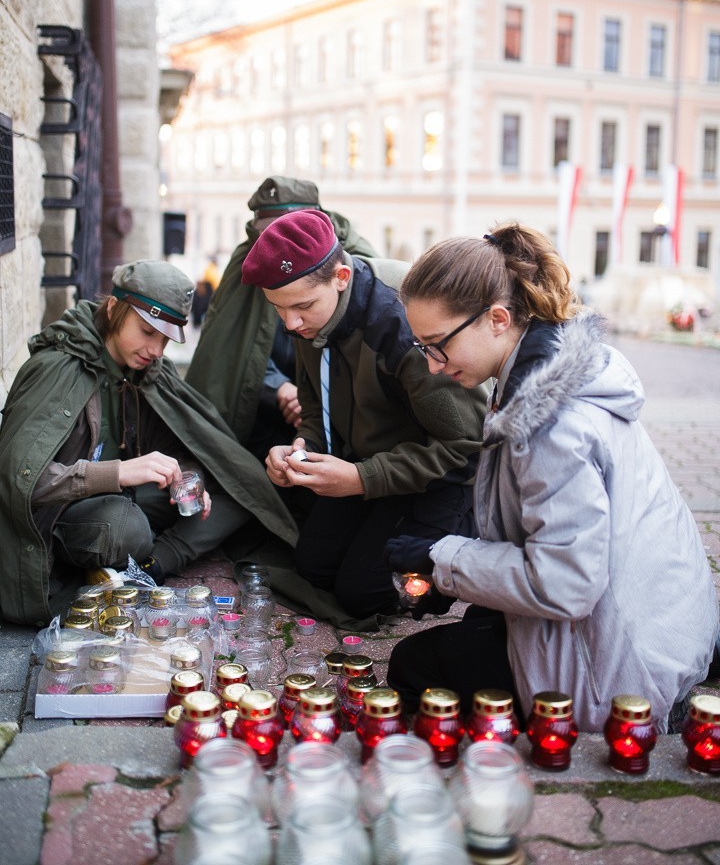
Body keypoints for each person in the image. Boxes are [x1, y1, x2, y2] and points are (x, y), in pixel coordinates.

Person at [384, 222, 719, 733]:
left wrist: (443, 560)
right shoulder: (551, 372)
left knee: (414, 666)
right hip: (663, 629)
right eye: (422, 348)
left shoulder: (550, 424)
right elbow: (543, 527)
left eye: (437, 345)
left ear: (497, 319)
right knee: (480, 623)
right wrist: (450, 570)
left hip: (625, 678)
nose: (431, 367)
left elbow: (565, 584)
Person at [0, 259, 298, 626]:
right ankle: (131, 560)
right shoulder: (57, 369)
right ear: (114, 310)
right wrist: (120, 472)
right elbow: (20, 480)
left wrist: (186, 478)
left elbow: (174, 445)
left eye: (165, 340)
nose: (156, 350)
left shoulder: (142, 371)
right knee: (127, 526)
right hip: (58, 518)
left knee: (239, 487)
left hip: (123, 497)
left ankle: (152, 566)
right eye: (146, 331)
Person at [241, 210, 488, 620]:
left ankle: (466, 536)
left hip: (441, 478)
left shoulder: (401, 325)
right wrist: (302, 448)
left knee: (362, 593)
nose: (290, 323)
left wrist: (360, 479)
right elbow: (315, 407)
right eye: (277, 308)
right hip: (371, 468)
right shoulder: (307, 317)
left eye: (301, 306)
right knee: (314, 567)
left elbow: (467, 447)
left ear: (340, 277)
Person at [185, 176, 378, 463]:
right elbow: (230, 349)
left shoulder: (353, 261)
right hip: (265, 413)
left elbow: (369, 352)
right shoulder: (247, 264)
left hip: (337, 417)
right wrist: (280, 387)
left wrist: (310, 396)